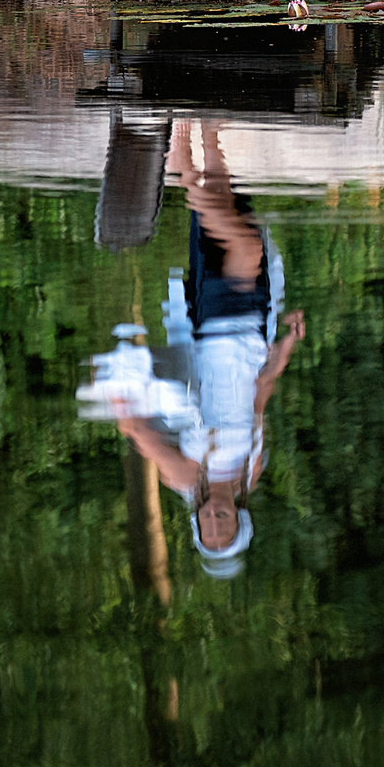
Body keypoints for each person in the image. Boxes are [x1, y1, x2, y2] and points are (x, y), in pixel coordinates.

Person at [77, 120, 305, 578]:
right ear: (240, 519)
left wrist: (123, 401)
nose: (214, 520)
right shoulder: (249, 474)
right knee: (229, 210)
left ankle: (180, 153)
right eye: (224, 526)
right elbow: (258, 403)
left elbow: (138, 430)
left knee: (244, 247)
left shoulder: (185, 477)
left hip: (212, 330)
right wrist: (284, 350)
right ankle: (206, 129)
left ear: (198, 522)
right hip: (252, 330)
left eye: (208, 528)